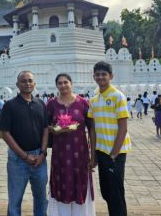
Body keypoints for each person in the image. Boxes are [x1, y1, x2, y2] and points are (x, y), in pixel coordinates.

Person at [0, 71, 48, 216]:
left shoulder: (40, 104)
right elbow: (5, 133)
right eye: (24, 81)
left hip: (39, 158)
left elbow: (45, 129)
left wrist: (43, 153)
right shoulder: (10, 105)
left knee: (41, 198)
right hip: (17, 160)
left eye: (30, 81)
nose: (27, 83)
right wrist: (24, 156)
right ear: (17, 85)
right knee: (15, 199)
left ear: (34, 84)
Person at [47, 73, 96, 216]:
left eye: (65, 82)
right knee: (61, 182)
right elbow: (45, 127)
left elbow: (92, 129)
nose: (63, 85)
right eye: (60, 83)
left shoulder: (82, 103)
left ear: (71, 83)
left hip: (80, 153)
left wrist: (94, 156)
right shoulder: (51, 104)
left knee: (80, 182)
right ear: (56, 86)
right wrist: (54, 130)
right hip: (60, 155)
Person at [88, 61, 131, 216]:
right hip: (101, 151)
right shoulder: (94, 99)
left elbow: (123, 127)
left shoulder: (118, 96)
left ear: (111, 76)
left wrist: (114, 154)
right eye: (97, 74)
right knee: (106, 191)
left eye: (103, 74)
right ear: (94, 77)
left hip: (116, 153)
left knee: (115, 193)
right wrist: (93, 156)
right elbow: (92, 130)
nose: (100, 77)